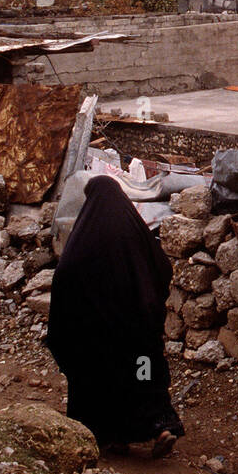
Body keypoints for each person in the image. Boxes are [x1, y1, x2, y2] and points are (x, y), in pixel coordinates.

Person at [47, 175, 185, 458]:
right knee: (145, 377)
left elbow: (66, 276)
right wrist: (148, 302)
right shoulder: (134, 230)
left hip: (100, 340)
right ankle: (159, 427)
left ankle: (111, 436)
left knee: (100, 381)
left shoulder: (86, 238)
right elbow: (162, 267)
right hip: (140, 336)